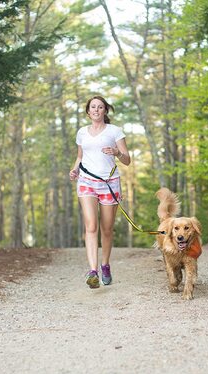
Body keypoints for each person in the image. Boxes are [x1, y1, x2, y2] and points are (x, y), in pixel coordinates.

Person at [69, 95, 131, 289]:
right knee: (91, 225)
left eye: (100, 107)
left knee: (106, 228)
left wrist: (117, 153)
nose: (96, 110)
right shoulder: (81, 132)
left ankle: (105, 265)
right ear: (88, 112)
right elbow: (80, 157)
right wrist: (75, 169)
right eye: (93, 107)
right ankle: (93, 271)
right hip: (86, 182)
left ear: (105, 111)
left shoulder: (115, 131)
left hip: (109, 183)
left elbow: (127, 160)